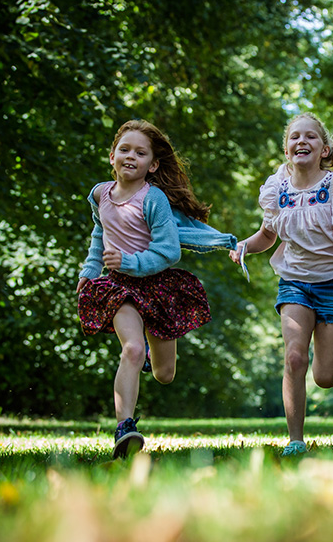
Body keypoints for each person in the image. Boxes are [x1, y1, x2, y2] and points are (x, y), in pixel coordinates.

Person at [77, 119, 236, 459]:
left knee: (165, 374)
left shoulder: (154, 199)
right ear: (112, 156)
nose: (131, 157)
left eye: (141, 153)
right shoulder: (100, 194)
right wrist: (91, 269)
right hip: (119, 287)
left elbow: (168, 251)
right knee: (132, 349)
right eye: (124, 150)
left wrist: (129, 260)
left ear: (153, 164)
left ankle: (152, 354)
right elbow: (99, 233)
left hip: (158, 287)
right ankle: (124, 428)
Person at [229, 112, 333, 456]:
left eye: (310, 136)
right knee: (294, 358)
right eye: (295, 136)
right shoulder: (277, 189)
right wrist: (245, 245)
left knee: (325, 378)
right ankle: (295, 440)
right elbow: (267, 235)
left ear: (324, 149)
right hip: (294, 282)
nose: (302, 141)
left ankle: (331, 341)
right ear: (286, 149)